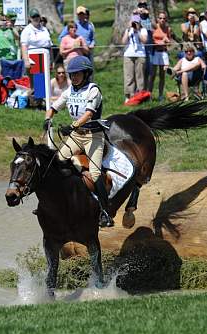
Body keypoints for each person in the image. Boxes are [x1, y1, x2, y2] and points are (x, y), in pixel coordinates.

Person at [42, 56, 113, 228]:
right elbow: (54, 107)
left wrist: (72, 125)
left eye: (77, 74)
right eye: (71, 74)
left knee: (95, 174)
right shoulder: (69, 91)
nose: (73, 77)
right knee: (57, 161)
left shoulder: (93, 90)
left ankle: (105, 212)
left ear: (86, 74)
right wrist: (47, 118)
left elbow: (88, 114)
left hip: (93, 136)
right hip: (76, 135)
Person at [122, 14, 148, 103]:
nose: (135, 24)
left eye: (136, 22)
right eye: (133, 22)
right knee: (129, 76)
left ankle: (140, 96)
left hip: (140, 55)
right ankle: (129, 96)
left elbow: (144, 41)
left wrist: (138, 31)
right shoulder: (128, 30)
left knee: (140, 77)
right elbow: (123, 42)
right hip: (128, 55)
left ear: (140, 23)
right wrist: (128, 30)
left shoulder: (143, 30)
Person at [149, 11, 174, 102]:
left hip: (164, 52)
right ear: (157, 19)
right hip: (155, 52)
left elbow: (170, 42)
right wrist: (160, 42)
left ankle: (160, 95)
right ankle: (150, 95)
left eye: (164, 18)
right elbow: (150, 41)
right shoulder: (154, 27)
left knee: (162, 75)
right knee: (152, 75)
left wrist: (167, 41)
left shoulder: (168, 29)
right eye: (160, 18)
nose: (162, 20)